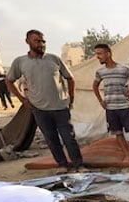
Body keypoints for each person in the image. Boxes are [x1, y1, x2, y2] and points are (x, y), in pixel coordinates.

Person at [6, 29, 84, 173]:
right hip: (39, 109)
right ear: (27, 41)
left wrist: (70, 98)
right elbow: (9, 81)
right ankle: (62, 165)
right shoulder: (20, 62)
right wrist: (23, 100)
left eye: (43, 41)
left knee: (69, 138)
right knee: (51, 139)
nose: (41, 44)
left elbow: (70, 78)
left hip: (61, 107)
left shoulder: (54, 59)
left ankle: (79, 165)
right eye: (37, 41)